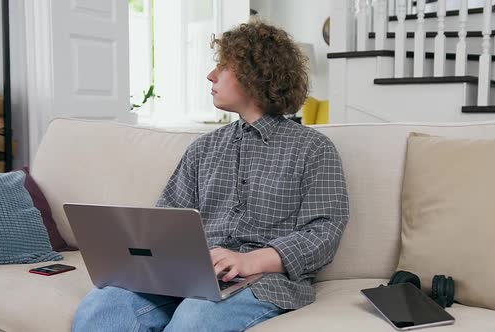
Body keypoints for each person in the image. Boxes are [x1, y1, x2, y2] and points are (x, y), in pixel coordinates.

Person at [73, 19, 349, 332]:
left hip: (263, 282)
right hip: (186, 276)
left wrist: (252, 260)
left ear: (255, 74)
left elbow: (324, 233)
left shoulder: (313, 149)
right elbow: (167, 217)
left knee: (195, 317)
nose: (211, 75)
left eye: (223, 66)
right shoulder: (203, 148)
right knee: (101, 306)